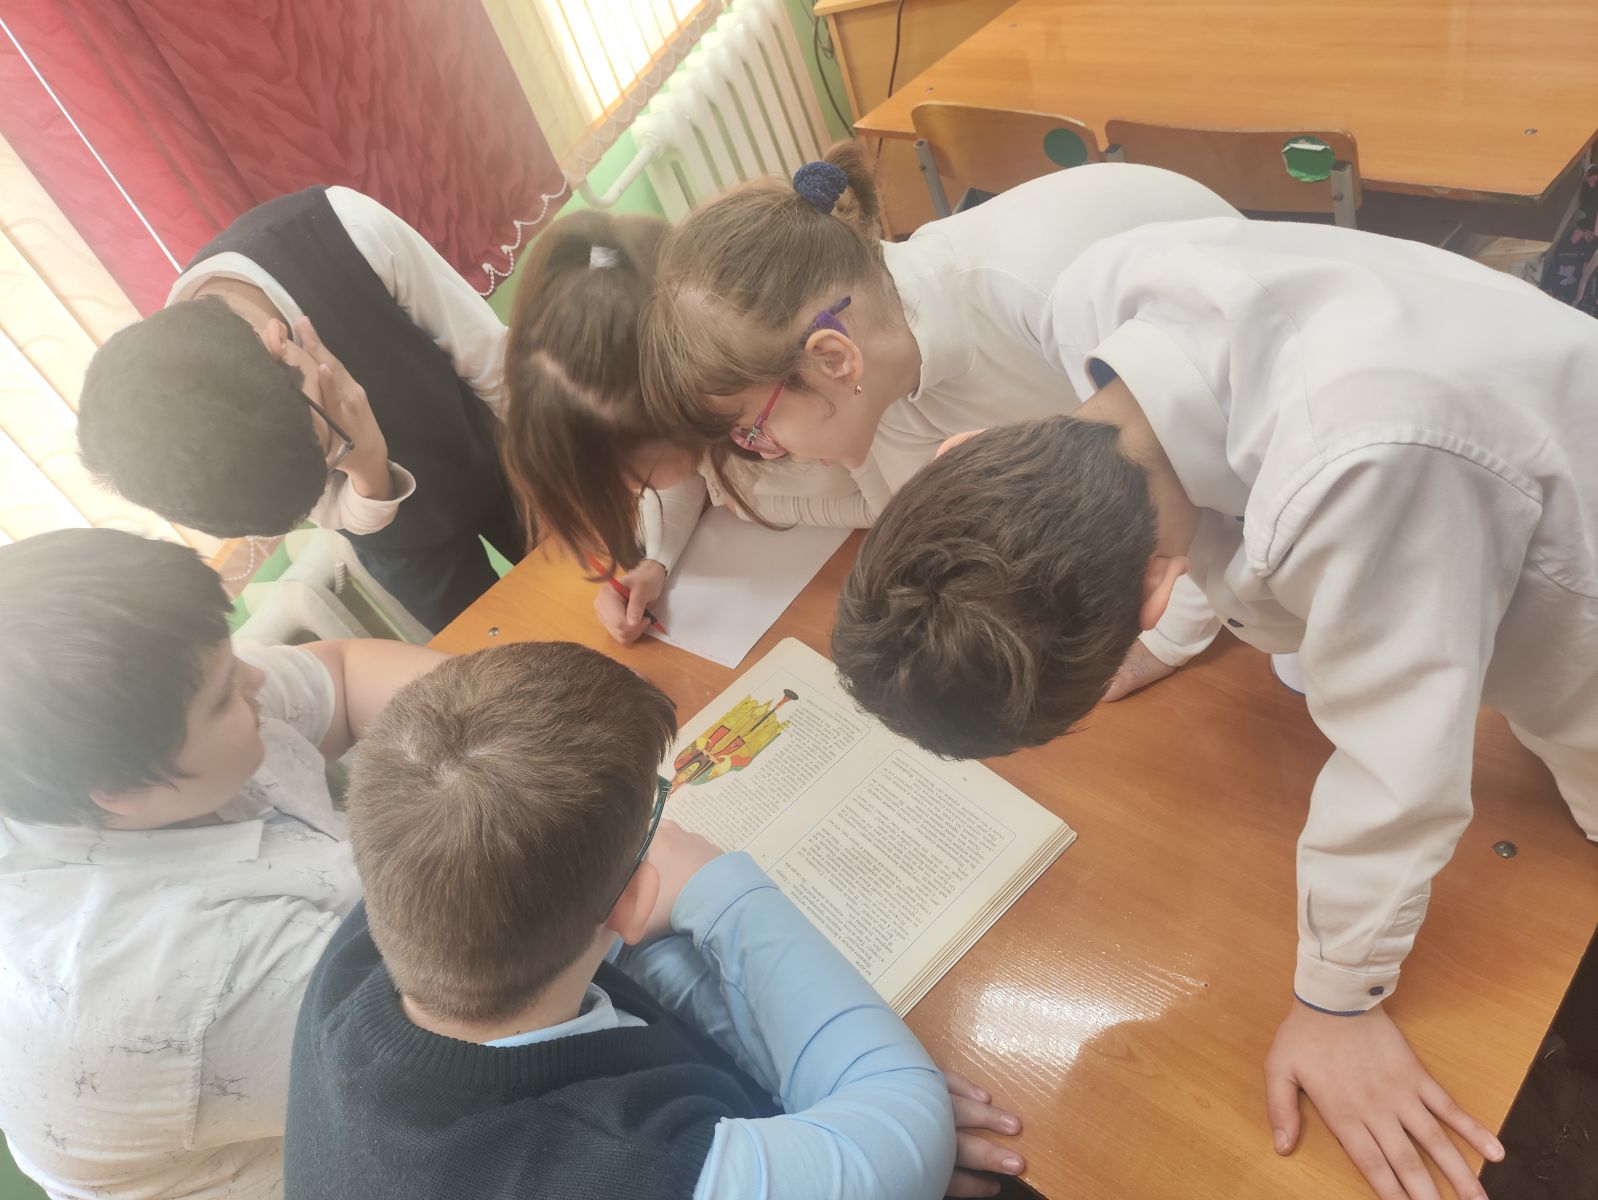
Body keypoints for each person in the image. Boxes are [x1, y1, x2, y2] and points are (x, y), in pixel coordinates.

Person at [830, 216, 1598, 1200]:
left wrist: (1337, 1003)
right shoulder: (1100, 295)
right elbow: (1206, 504)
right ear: (966, 452)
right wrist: (1168, 637)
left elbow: (1397, 777)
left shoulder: (1358, 472)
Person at [285, 641, 1024, 1199]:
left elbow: (615, 969)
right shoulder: (641, 1172)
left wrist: (845, 1111)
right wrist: (717, 886)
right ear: (636, 900)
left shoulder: (366, 949)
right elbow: (909, 1120)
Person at [637, 141, 1241, 694]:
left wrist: (1165, 641)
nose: (765, 450)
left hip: (1250, 453)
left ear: (832, 359)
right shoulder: (884, 364)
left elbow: (1197, 471)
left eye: (753, 427)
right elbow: (938, 526)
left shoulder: (1041, 302)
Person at [0, 528, 445, 1199]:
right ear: (119, 791)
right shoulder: (176, 983)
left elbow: (343, 673)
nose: (256, 677)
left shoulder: (137, 726)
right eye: (221, 698)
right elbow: (474, 1038)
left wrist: (529, 721)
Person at [76, 185, 526, 633]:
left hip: (501, 453)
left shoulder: (345, 232)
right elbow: (332, 510)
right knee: (505, 656)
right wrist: (367, 467)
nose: (337, 463)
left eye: (330, 445)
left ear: (279, 340)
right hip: (401, 546)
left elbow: (494, 367)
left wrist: (549, 468)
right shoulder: (203, 442)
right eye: (329, 469)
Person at [499, 209, 882, 645]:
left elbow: (889, 502)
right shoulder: (692, 403)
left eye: (626, 471)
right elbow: (686, 472)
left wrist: (755, 508)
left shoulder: (813, 393)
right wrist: (656, 560)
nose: (629, 490)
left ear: (676, 407)